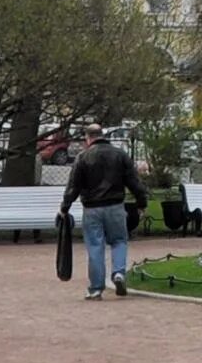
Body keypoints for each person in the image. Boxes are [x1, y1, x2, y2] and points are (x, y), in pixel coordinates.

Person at [60, 123, 147, 299]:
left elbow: (73, 186)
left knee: (95, 246)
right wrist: (141, 203)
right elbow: (134, 181)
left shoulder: (83, 157)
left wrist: (65, 207)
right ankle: (119, 273)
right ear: (102, 135)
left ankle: (96, 288)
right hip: (115, 205)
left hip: (92, 208)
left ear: (88, 137)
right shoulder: (119, 155)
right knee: (119, 240)